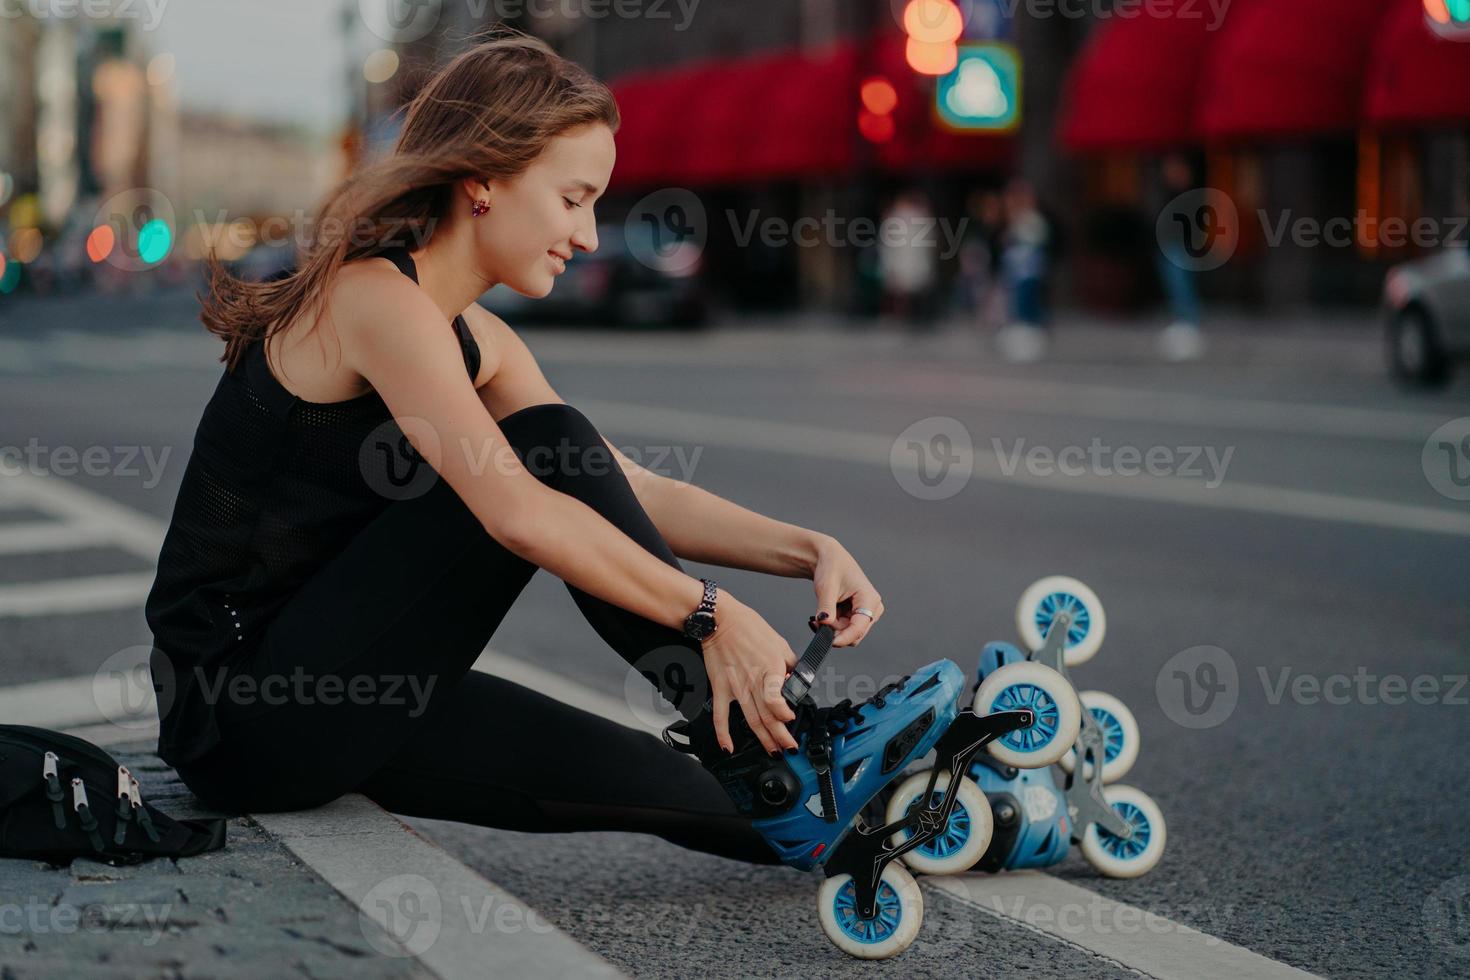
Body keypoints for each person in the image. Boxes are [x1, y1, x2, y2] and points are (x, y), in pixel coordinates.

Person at [143, 30, 887, 866]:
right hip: (245, 713)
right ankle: (773, 737)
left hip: (348, 686)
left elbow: (626, 487)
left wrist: (811, 549)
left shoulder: (474, 337)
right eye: (574, 199)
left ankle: (898, 813)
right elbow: (519, 513)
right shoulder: (372, 301)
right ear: (484, 182)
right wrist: (711, 617)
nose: (592, 234)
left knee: (675, 785)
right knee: (544, 443)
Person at [1153, 152, 1207, 362]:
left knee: (1182, 286)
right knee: (1175, 286)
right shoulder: (1169, 193)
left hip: (1181, 247)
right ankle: (1182, 325)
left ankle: (1190, 326)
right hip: (1168, 246)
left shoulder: (1190, 195)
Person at [994, 177, 1052, 363]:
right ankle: (1022, 340)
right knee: (1018, 305)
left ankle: (1030, 342)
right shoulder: (1017, 220)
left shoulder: (1032, 220)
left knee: (1027, 306)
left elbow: (1033, 244)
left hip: (1028, 272)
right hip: (1016, 272)